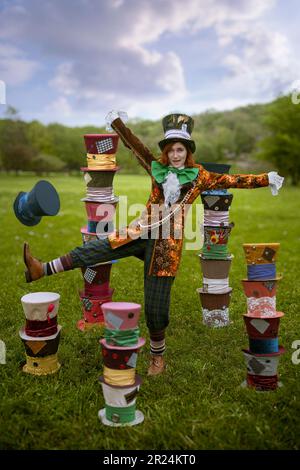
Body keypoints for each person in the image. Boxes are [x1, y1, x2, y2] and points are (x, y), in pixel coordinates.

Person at [23, 111, 284, 376]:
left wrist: (266, 178)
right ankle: (41, 269)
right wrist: (117, 124)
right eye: (171, 150)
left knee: (156, 310)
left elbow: (234, 180)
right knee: (93, 250)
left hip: (165, 249)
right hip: (138, 233)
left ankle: (157, 356)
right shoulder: (156, 167)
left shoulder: (200, 176)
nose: (175, 155)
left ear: (188, 151)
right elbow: (136, 147)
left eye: (180, 149)